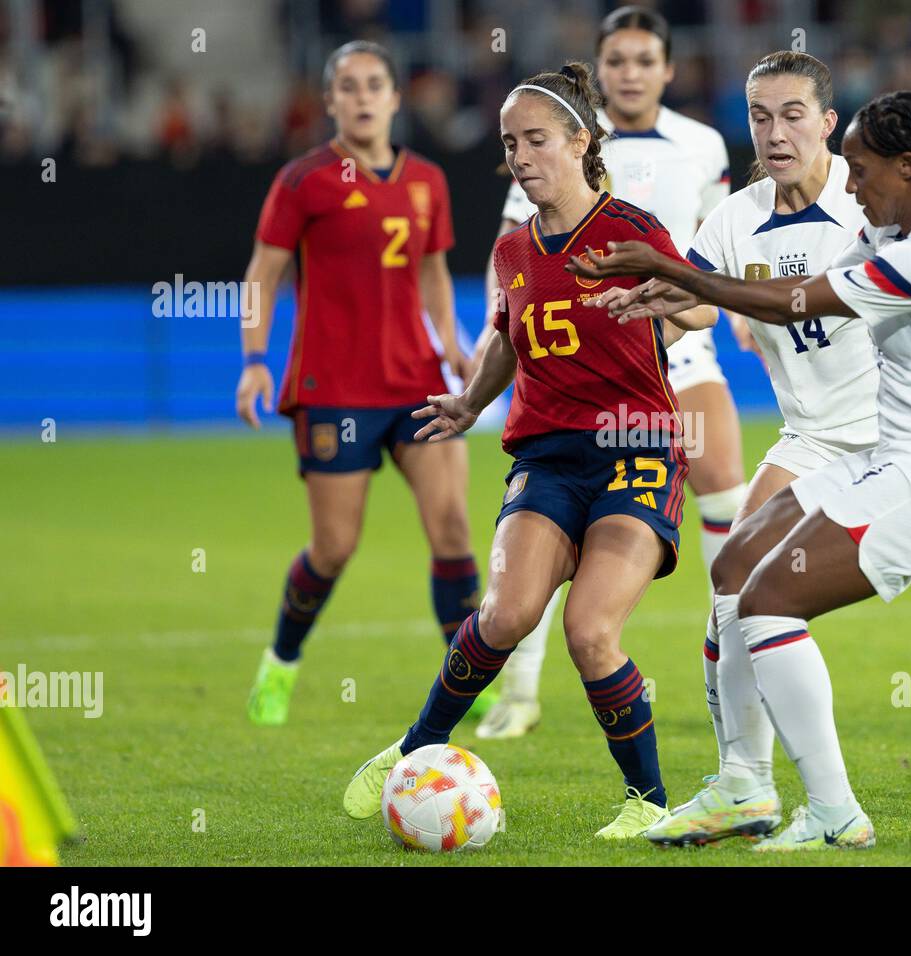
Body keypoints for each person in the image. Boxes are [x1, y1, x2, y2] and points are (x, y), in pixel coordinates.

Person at [569, 90, 911, 851]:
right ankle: (744, 786)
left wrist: (661, 262)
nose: (849, 186)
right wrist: (671, 283)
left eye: (859, 168)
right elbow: (785, 285)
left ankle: (833, 812)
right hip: (897, 457)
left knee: (773, 600)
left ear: (909, 166)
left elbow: (794, 301)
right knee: (740, 566)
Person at [343, 61, 695, 839]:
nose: (522, 156)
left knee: (590, 633)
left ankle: (650, 802)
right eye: (511, 143)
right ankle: (414, 748)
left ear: (580, 142)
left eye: (537, 139)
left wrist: (661, 293)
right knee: (503, 615)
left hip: (636, 450)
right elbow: (505, 338)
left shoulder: (632, 230)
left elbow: (696, 303)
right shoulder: (512, 253)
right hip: (547, 458)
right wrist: (470, 400)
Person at [584, 49, 880, 812]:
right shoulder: (738, 215)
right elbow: (705, 305)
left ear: (827, 122)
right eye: (759, 116)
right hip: (809, 436)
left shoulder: (871, 198)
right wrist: (661, 299)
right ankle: (745, 781)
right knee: (734, 587)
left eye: (791, 114)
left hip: (896, 439)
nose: (775, 132)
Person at [472, 5, 748, 741]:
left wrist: (730, 304)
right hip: (580, 353)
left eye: (643, 60)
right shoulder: (551, 138)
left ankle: (738, 659)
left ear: (666, 69)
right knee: (558, 513)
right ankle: (521, 688)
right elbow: (513, 254)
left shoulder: (701, 144)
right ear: (600, 69)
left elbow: (718, 235)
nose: (629, 72)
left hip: (676, 338)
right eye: (616, 60)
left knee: (724, 476)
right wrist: (499, 342)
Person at [238, 41, 482, 726]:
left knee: (454, 528)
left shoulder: (428, 179)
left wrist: (455, 348)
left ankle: (468, 685)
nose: (364, 95)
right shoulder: (303, 180)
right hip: (334, 387)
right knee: (335, 547)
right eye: (349, 86)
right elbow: (263, 272)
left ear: (396, 97)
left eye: (376, 83)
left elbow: (433, 272)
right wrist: (254, 358)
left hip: (417, 381)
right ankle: (282, 660)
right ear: (331, 101)